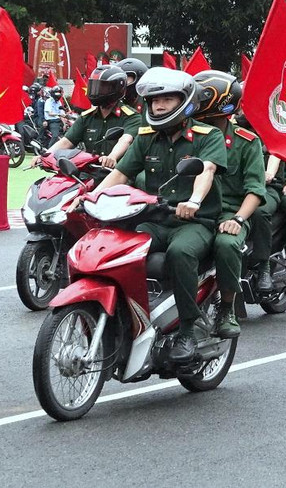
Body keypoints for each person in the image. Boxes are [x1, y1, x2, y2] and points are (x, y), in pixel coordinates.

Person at [98, 68, 238, 359]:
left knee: (180, 253)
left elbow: (207, 170)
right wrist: (90, 197)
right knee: (119, 247)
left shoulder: (207, 135)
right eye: (153, 101)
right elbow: (122, 174)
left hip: (195, 222)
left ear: (184, 101)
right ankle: (128, 313)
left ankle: (189, 327)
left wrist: (196, 201)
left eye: (167, 99)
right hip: (155, 219)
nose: (159, 106)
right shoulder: (146, 136)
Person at [193, 71, 274, 305]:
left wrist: (237, 219)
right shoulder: (188, 136)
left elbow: (255, 189)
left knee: (226, 244)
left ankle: (227, 309)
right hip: (194, 211)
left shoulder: (247, 141)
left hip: (230, 210)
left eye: (201, 97)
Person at [51, 64, 138, 165]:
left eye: (102, 87)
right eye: (94, 87)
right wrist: (46, 155)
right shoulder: (87, 117)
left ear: (117, 88)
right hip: (89, 172)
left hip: (117, 174)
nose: (96, 92)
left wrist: (112, 156)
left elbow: (125, 140)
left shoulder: (131, 117)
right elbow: (66, 141)